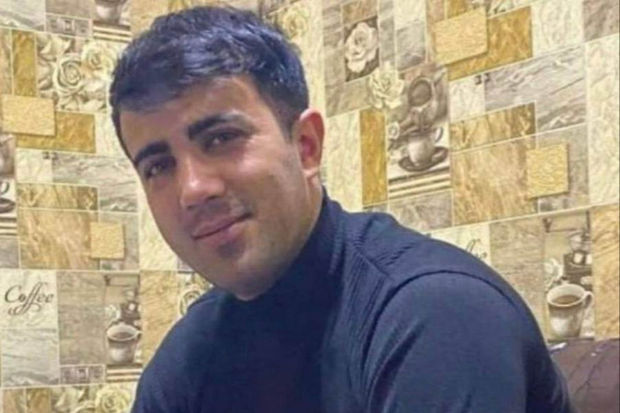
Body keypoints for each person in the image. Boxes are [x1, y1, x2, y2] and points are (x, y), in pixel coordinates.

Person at [110, 6, 575, 412]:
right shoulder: (189, 358)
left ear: (306, 147)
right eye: (158, 166)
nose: (193, 189)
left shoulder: (435, 314)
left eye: (220, 139)